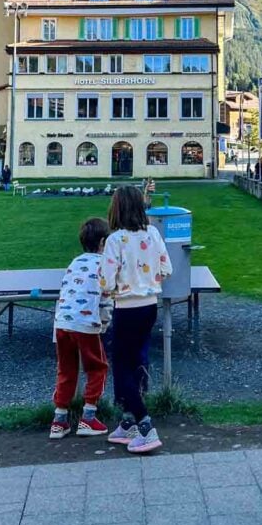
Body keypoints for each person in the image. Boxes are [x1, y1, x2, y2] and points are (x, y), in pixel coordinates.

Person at [100, 186, 173, 454]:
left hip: (126, 308)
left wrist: (118, 286)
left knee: (121, 367)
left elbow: (106, 281)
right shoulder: (153, 233)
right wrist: (147, 280)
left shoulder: (115, 240)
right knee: (133, 363)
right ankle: (128, 421)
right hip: (149, 307)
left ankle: (145, 425)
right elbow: (167, 268)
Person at [50, 218, 113, 440]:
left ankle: (59, 420)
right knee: (97, 367)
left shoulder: (74, 262)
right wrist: (103, 325)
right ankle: (88, 417)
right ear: (104, 242)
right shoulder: (105, 265)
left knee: (66, 370)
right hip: (86, 325)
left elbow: (65, 292)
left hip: (62, 323)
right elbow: (106, 299)